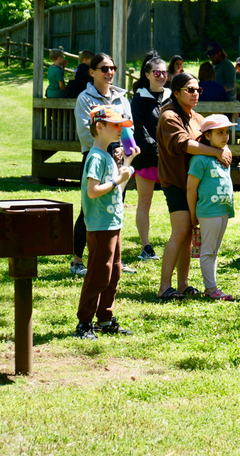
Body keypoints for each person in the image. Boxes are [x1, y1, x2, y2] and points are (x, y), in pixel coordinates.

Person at [156, 72, 232, 301]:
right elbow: (184, 144)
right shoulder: (169, 117)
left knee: (188, 234)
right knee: (180, 231)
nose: (195, 94)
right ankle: (164, 287)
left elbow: (208, 139)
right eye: (190, 89)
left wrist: (223, 147)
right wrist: (218, 152)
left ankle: (183, 284)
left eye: (198, 90)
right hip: (176, 183)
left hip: (197, 184)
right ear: (176, 92)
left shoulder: (197, 118)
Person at [74, 105, 138, 339]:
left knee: (114, 273)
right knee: (99, 274)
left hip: (113, 223)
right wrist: (116, 180)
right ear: (99, 127)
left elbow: (116, 189)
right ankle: (84, 323)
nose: (120, 128)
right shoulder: (96, 158)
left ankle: (105, 319)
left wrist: (128, 162)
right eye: (115, 125)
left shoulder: (109, 156)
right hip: (100, 225)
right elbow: (92, 191)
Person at [72, 53, 135, 277]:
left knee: (115, 207)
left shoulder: (121, 98)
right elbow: (86, 132)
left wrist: (128, 149)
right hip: (95, 158)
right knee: (88, 210)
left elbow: (129, 128)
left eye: (113, 68)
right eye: (104, 68)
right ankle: (78, 261)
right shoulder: (85, 98)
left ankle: (114, 259)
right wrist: (109, 149)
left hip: (118, 160)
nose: (110, 73)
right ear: (92, 72)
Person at [187, 114, 236, 301]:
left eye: (227, 132)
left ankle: (211, 287)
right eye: (220, 133)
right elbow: (191, 188)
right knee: (208, 250)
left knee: (214, 250)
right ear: (207, 136)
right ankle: (211, 288)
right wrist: (193, 214)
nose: (225, 136)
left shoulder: (224, 155)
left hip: (222, 210)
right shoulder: (200, 160)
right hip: (208, 211)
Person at [129, 51, 171, 261]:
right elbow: (139, 131)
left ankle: (179, 241)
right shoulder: (138, 100)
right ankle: (146, 246)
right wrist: (156, 148)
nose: (161, 76)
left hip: (170, 159)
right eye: (157, 72)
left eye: (164, 72)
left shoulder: (173, 96)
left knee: (176, 200)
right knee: (144, 202)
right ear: (147, 74)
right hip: (147, 158)